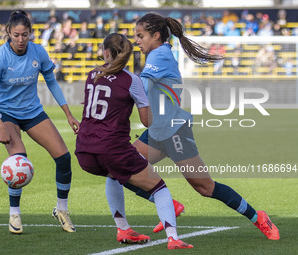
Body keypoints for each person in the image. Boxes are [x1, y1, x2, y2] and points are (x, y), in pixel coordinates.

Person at [109, 12, 280, 241]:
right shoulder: (157, 54)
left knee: (205, 188)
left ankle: (258, 217)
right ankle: (169, 205)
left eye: (140, 36)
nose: (136, 41)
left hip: (174, 131)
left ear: (156, 36)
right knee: (117, 169)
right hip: (159, 131)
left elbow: (139, 85)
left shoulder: (159, 55)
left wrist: (109, 79)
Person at [75, 32, 193, 250]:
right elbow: (146, 122)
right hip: (112, 148)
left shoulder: (92, 74)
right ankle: (173, 238)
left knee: (112, 175)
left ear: (106, 52)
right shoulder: (131, 80)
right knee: (159, 188)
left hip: (84, 150)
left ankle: (123, 229)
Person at [0, 10, 80, 235]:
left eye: (24, 35)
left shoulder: (39, 52)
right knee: (19, 161)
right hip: (6, 114)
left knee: (64, 158)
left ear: (30, 34)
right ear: (9, 32)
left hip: (33, 112)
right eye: (16, 34)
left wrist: (68, 114)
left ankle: (61, 209)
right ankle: (14, 214)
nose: (20, 39)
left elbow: (52, 83)